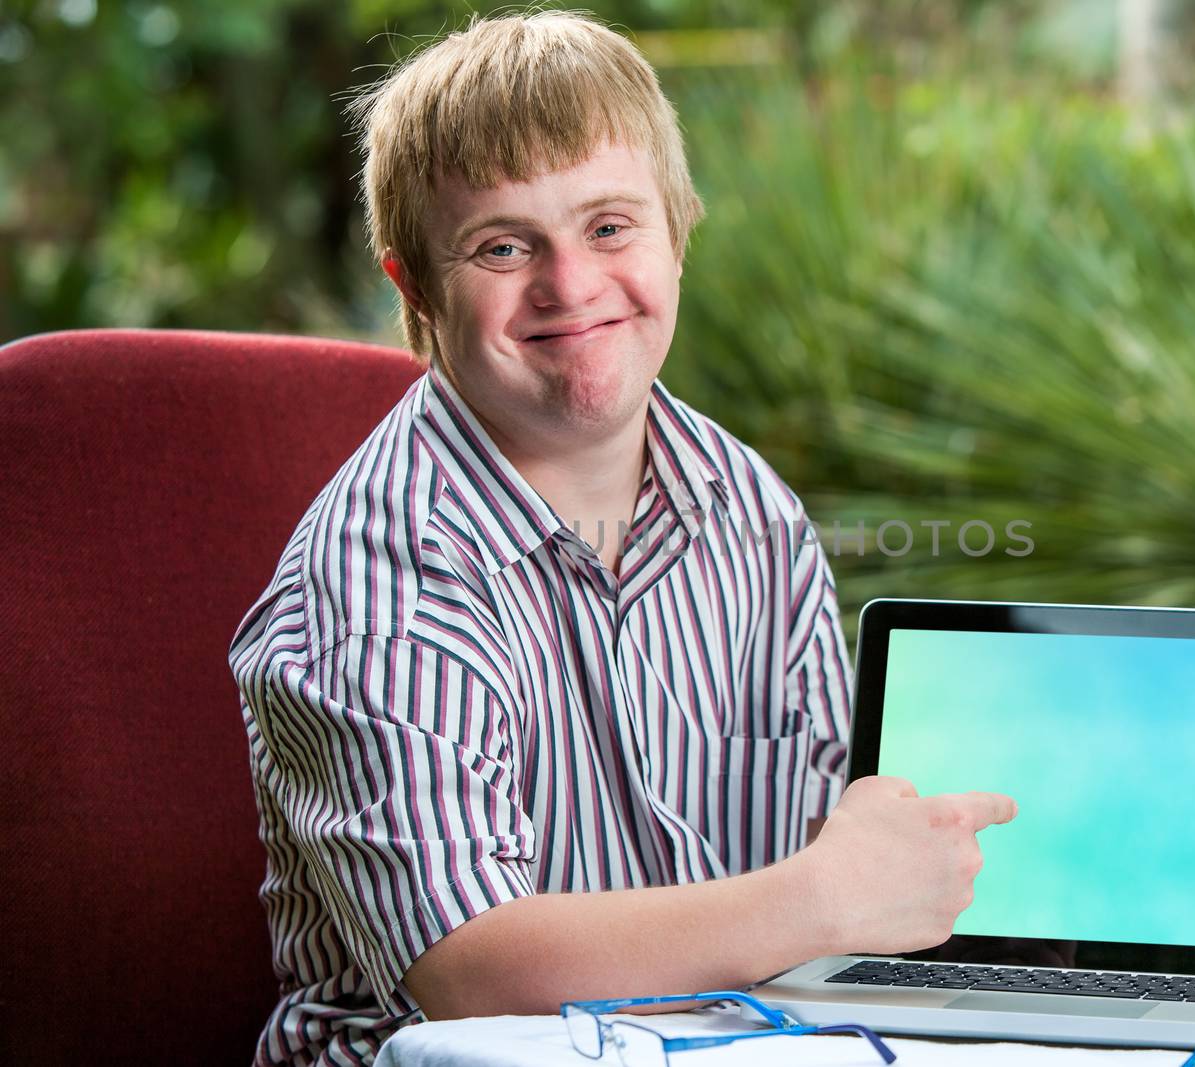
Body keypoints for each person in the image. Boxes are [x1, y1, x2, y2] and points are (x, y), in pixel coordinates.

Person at [229, 10, 1017, 1065]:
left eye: (609, 226)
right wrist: (823, 895)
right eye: (502, 246)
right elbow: (469, 972)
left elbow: (834, 857)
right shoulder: (383, 574)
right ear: (413, 287)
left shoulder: (749, 506)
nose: (570, 283)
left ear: (679, 229)